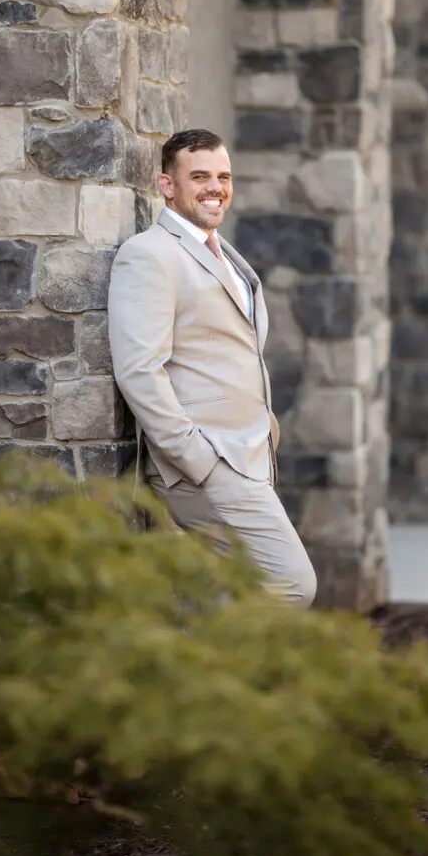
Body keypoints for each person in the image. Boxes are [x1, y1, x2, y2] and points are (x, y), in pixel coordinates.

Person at [107, 128, 317, 608]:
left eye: (223, 176)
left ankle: (195, 671)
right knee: (293, 584)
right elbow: (140, 371)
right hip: (207, 464)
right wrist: (197, 460)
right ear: (167, 185)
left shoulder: (222, 254)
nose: (214, 187)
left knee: (221, 594)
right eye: (199, 176)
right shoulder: (149, 256)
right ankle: (192, 677)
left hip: (248, 456)